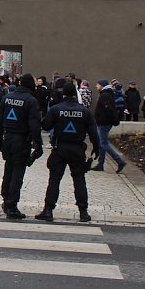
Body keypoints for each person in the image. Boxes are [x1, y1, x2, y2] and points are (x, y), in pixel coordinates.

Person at [36, 82, 100, 223]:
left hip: (60, 148)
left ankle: (48, 210)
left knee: (54, 180)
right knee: (79, 180)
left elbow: (46, 125)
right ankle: (83, 212)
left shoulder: (56, 109)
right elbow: (94, 132)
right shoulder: (85, 111)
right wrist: (96, 148)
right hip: (77, 149)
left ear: (63, 93)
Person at [0, 73, 43, 219]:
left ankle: (5, 199)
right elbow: (34, 125)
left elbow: (0, 119)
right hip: (21, 140)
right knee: (17, 173)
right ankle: (12, 205)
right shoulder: (31, 100)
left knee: (8, 170)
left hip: (8, 138)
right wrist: (38, 145)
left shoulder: (7, 97)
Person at [90, 80, 127, 173]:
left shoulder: (104, 95)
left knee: (103, 144)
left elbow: (108, 110)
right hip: (104, 122)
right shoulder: (106, 94)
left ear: (102, 86)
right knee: (102, 143)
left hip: (104, 123)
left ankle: (119, 161)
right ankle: (100, 164)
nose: (96, 86)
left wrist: (100, 119)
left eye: (97, 85)